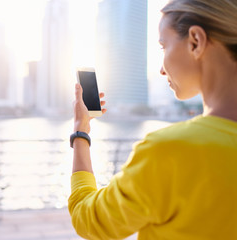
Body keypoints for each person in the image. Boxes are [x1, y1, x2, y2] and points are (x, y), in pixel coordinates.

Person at [68, 0, 237, 239]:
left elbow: (88, 219)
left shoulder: (168, 152)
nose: (161, 69)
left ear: (195, 41)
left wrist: (80, 133)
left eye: (163, 46)